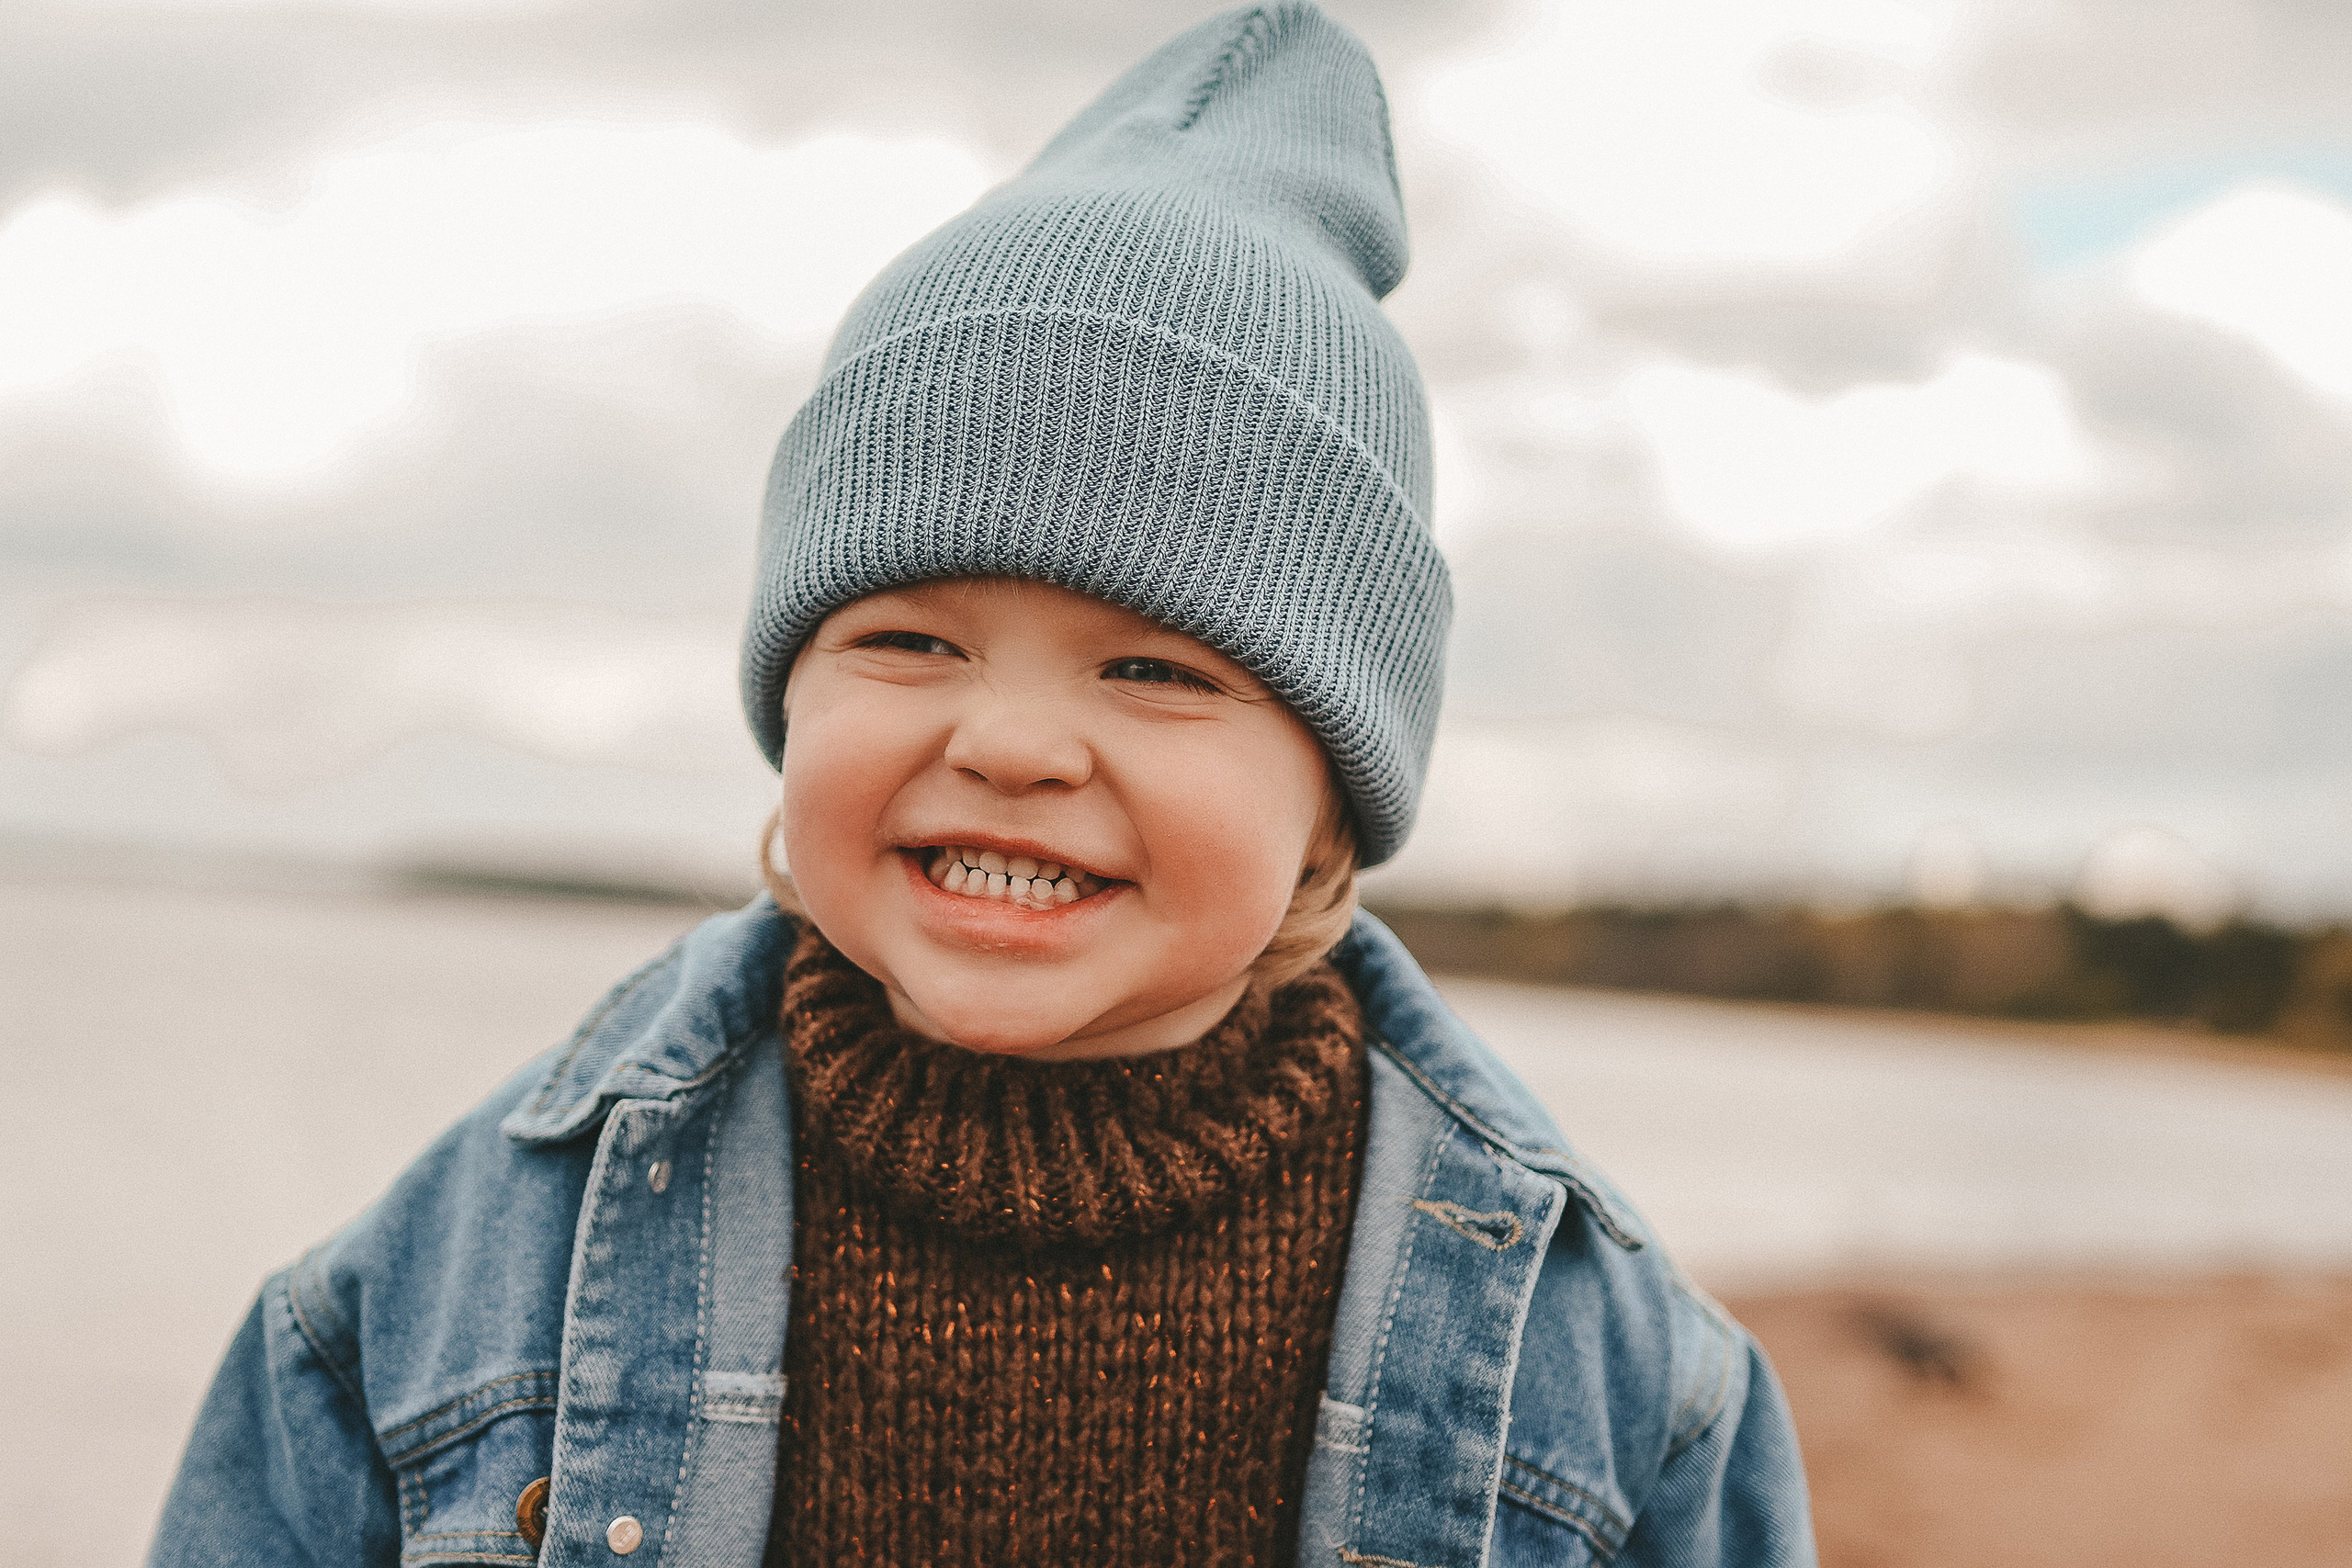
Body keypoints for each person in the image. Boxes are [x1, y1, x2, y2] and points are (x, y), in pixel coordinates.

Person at [151, 6, 1815, 1564]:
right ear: (789, 688)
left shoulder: (1613, 1375)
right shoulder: (446, 1282)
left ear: (1335, 796)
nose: (1011, 744)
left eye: (1157, 669)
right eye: (910, 639)